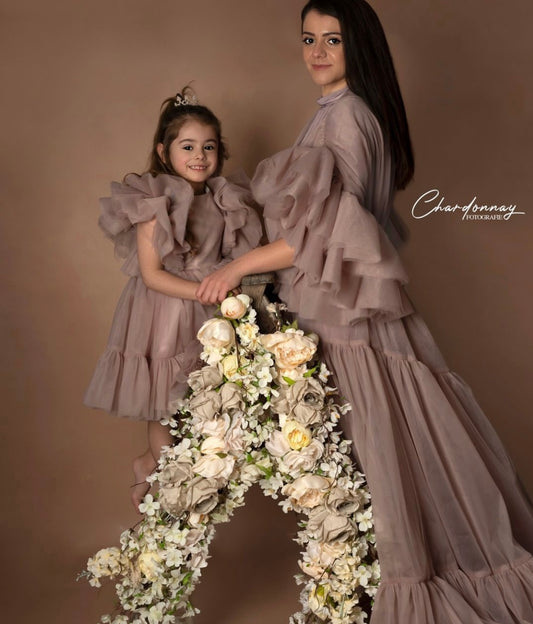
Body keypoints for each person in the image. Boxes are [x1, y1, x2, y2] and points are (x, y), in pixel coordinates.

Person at [196, 1, 533, 621]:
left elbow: (319, 234)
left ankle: (409, 586)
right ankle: (373, 581)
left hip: (341, 310)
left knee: (376, 455)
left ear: (360, 47)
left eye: (333, 40)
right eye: (308, 38)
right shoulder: (343, 112)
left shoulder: (347, 118)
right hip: (345, 303)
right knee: (374, 452)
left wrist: (236, 267)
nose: (317, 52)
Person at [84, 87, 262, 512]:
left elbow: (234, 257)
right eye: (187, 146)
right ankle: (164, 478)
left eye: (209, 147)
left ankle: (148, 463)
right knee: (166, 401)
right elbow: (152, 274)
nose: (199, 156)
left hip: (212, 310)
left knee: (204, 401)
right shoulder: (153, 202)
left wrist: (228, 290)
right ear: (164, 152)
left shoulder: (225, 198)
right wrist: (212, 290)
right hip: (164, 309)